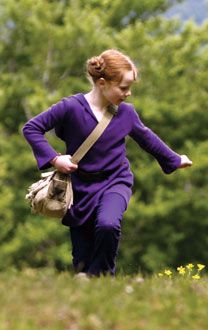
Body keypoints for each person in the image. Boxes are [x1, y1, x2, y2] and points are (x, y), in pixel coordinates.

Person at [22, 49, 192, 276]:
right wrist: (55, 159)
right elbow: (31, 128)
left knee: (108, 225)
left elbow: (147, 139)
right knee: (82, 256)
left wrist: (175, 159)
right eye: (123, 88)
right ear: (102, 83)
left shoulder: (126, 114)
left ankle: (100, 277)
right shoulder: (70, 107)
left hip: (115, 181)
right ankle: (92, 284)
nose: (128, 93)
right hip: (79, 189)